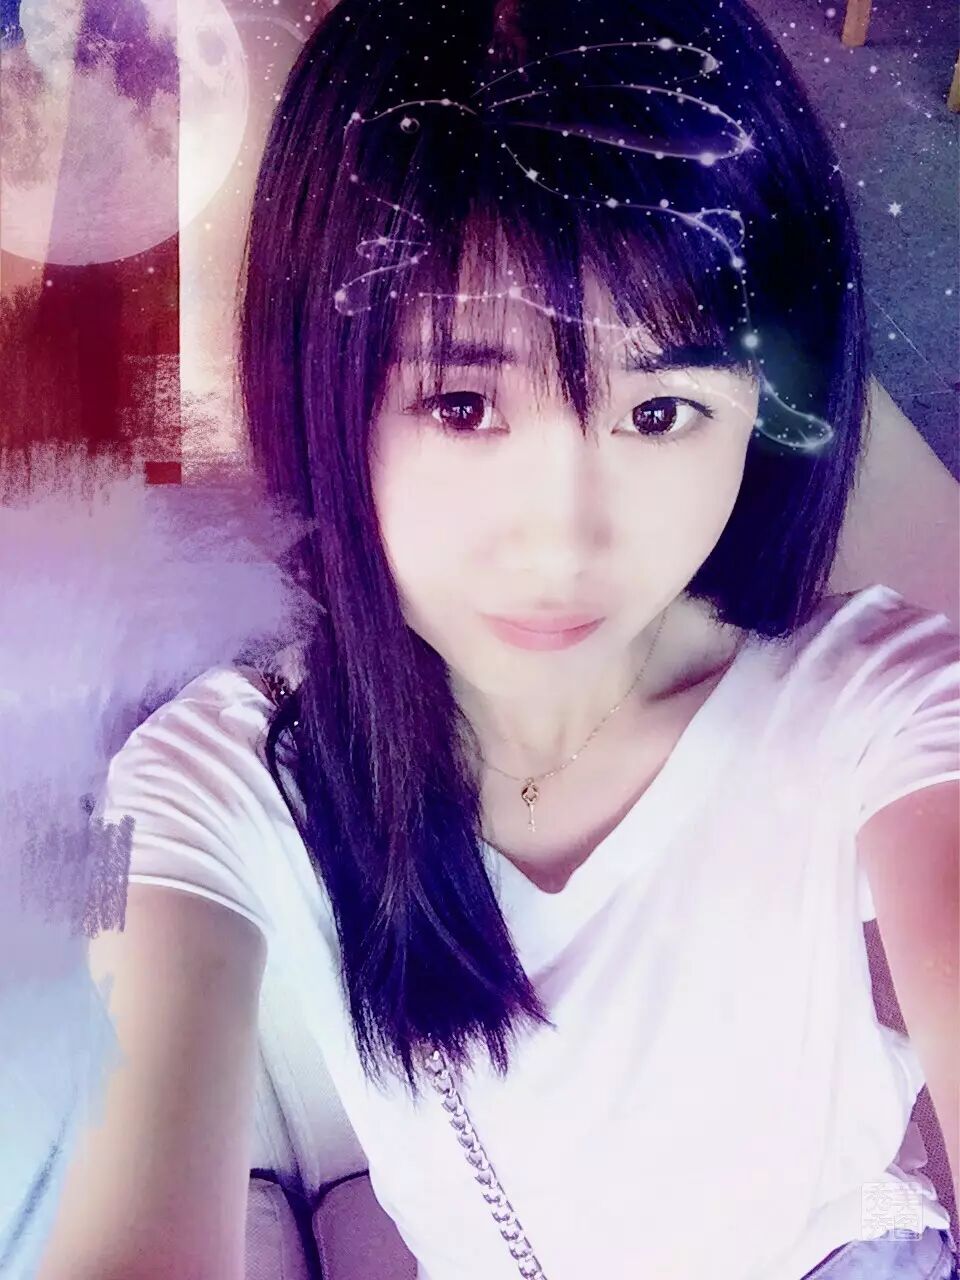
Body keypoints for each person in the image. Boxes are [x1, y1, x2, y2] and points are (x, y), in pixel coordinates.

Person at [35, 0, 959, 1277]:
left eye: (659, 411)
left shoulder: (879, 707)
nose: (564, 540)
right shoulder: (232, 780)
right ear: (324, 388)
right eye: (463, 404)